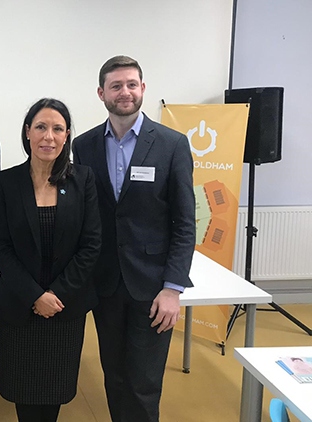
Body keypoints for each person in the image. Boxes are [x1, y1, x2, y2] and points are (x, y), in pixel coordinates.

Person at [72, 55, 196, 422]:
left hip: (154, 287)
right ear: (101, 93)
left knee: (143, 383)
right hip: (106, 284)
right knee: (115, 376)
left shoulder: (172, 144)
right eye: (115, 86)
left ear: (142, 88)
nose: (124, 92)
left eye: (131, 84)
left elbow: (185, 222)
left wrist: (173, 288)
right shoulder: (85, 145)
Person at [0, 98, 102, 422]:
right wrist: (35, 296)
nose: (48, 136)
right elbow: (1, 247)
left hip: (65, 310)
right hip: (20, 308)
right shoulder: (5, 183)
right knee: (22, 391)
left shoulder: (83, 180)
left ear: (67, 136)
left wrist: (57, 296)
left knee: (54, 391)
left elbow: (91, 244)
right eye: (40, 127)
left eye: (57, 128)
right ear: (27, 132)